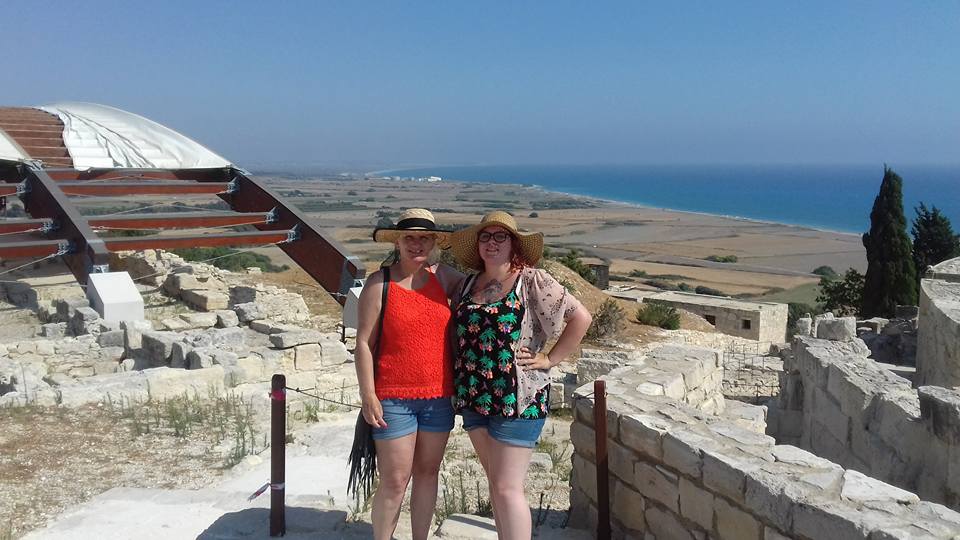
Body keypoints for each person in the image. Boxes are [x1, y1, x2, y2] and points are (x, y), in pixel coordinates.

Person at [448, 211, 592, 540]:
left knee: (506, 487)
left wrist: (550, 359)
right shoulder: (467, 284)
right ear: (478, 244)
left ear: (513, 243)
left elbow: (580, 318)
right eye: (486, 236)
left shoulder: (531, 281)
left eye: (501, 236)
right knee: (497, 485)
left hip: (518, 400)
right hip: (474, 397)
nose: (492, 242)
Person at [355, 208, 464, 540]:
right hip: (393, 398)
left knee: (428, 474)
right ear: (398, 242)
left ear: (433, 243)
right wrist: (368, 394)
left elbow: (486, 294)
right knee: (394, 481)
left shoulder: (444, 278)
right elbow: (363, 343)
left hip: (439, 397)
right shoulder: (380, 283)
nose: (417, 244)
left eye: (424, 238)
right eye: (410, 238)